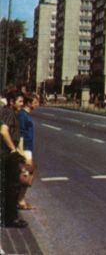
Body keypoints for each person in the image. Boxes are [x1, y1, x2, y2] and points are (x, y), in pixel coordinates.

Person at [0, 90, 26, 228]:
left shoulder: (4, 111)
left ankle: (6, 217)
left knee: (6, 186)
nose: (22, 104)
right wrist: (13, 149)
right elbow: (3, 131)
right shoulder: (9, 113)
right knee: (13, 187)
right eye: (20, 101)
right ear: (11, 102)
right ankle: (11, 219)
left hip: (4, 152)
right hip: (7, 154)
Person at [17, 93, 39, 211]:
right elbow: (20, 134)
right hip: (25, 148)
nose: (37, 105)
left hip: (28, 148)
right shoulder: (22, 115)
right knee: (26, 175)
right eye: (35, 102)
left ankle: (21, 199)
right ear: (29, 103)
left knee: (27, 174)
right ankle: (20, 200)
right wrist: (23, 152)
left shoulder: (25, 115)